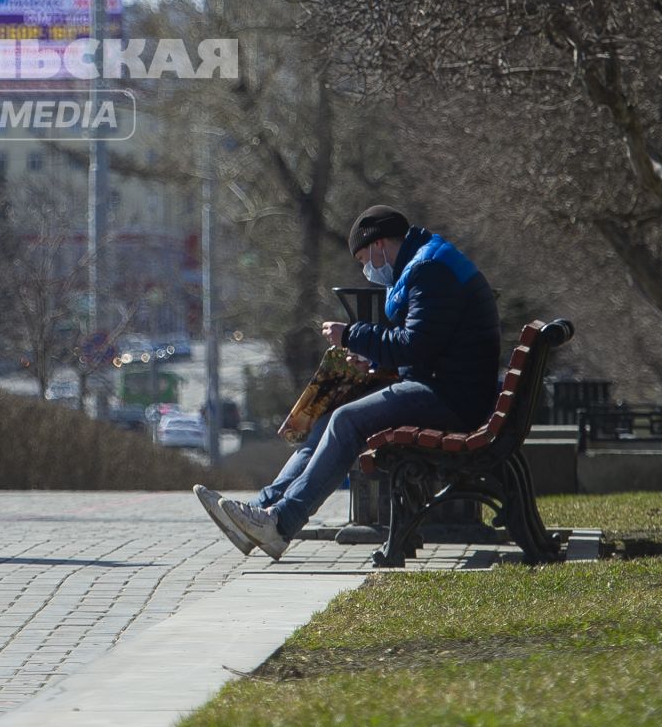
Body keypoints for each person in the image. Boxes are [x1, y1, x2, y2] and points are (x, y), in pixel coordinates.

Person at [193, 204, 502, 560]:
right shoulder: (426, 263)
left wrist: (352, 335)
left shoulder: (429, 270)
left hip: (453, 397)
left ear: (379, 245)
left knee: (346, 420)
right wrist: (371, 357)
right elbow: (425, 343)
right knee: (328, 419)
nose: (366, 269)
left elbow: (414, 345)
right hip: (446, 386)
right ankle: (261, 510)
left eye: (362, 259)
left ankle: (279, 524)